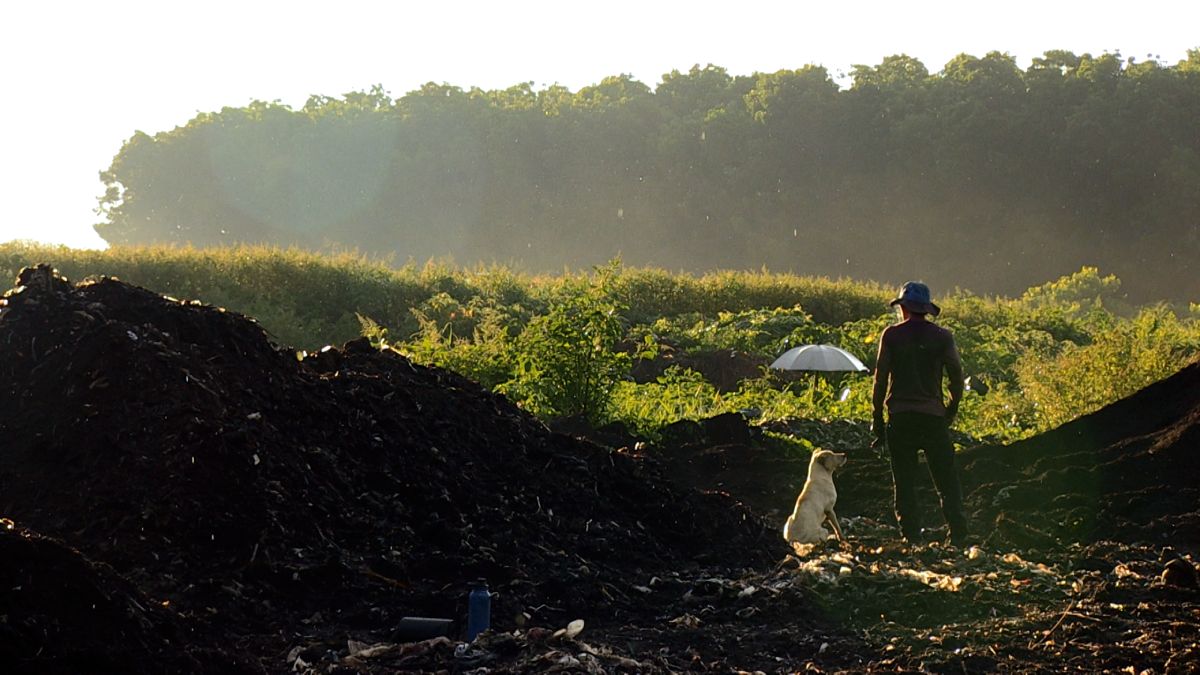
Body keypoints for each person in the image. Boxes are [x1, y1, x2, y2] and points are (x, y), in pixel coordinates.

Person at [871, 281, 969, 546]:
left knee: (904, 482)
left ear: (903, 308)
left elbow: (880, 381)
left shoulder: (891, 336)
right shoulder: (942, 337)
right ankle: (958, 535)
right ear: (926, 310)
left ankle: (912, 538)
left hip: (901, 418)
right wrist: (951, 408)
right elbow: (956, 376)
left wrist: (877, 419)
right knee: (947, 480)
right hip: (933, 417)